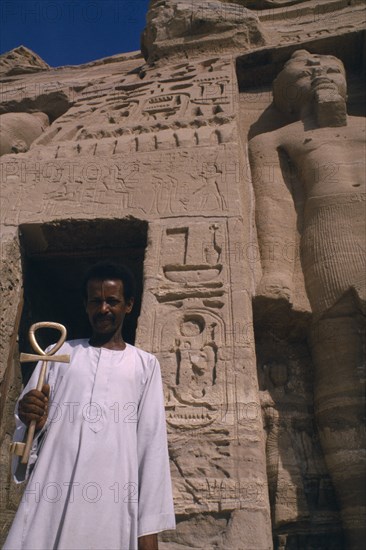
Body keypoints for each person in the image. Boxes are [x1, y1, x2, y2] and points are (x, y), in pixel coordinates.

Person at [249, 50, 365, 547]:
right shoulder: (274, 138)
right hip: (329, 247)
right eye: (306, 70)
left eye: (331, 67)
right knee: (340, 386)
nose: (320, 73)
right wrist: (276, 270)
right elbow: (273, 204)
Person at [4, 262, 176, 550]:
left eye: (112, 301)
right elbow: (28, 431)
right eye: (96, 301)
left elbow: (151, 447)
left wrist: (148, 531)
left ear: (129, 305)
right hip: (53, 492)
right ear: (85, 305)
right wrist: (32, 417)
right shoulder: (59, 354)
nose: (104, 308)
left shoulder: (144, 365)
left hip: (114, 500)